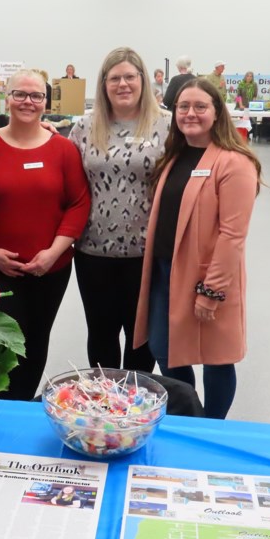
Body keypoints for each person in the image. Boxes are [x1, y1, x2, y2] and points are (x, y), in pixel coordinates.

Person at [133, 78, 263, 420]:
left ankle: (213, 426)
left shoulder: (234, 163)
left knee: (217, 357)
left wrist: (212, 290)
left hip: (208, 277)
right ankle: (191, 416)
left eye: (200, 107)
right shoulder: (175, 155)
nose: (190, 113)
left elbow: (233, 234)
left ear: (217, 113)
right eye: (183, 107)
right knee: (166, 348)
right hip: (167, 271)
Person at [0, 69, 90, 401]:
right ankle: (12, 405)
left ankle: (23, 406)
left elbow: (78, 203)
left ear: (46, 101)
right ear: (7, 97)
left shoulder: (64, 150)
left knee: (36, 338)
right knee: (5, 341)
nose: (27, 102)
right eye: (20, 94)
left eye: (36, 96)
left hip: (51, 269)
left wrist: (54, 253)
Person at [67, 47, 170, 373]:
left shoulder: (167, 125)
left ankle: (136, 407)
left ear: (142, 80)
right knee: (101, 334)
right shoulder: (83, 127)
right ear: (103, 84)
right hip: (93, 251)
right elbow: (68, 185)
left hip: (147, 252)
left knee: (141, 339)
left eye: (129, 76)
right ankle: (105, 404)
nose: (123, 84)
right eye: (115, 78)